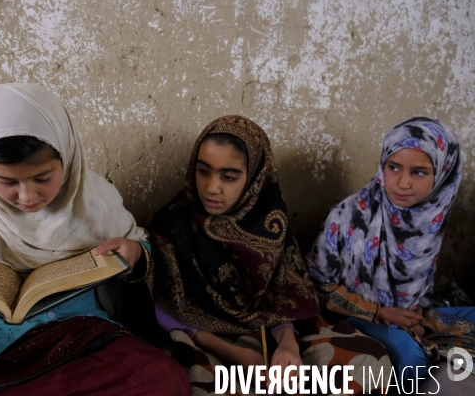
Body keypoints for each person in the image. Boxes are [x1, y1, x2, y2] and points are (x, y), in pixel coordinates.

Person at [0, 83, 190, 395]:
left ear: (65, 157)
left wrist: (134, 253)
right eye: (6, 181)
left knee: (159, 377)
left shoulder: (95, 199)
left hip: (78, 329)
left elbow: (141, 251)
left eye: (43, 178)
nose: (27, 195)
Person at [140, 115, 391, 393]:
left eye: (229, 176)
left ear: (255, 178)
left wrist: (288, 345)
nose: (212, 187)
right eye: (203, 171)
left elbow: (281, 300)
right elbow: (167, 305)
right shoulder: (172, 224)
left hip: (272, 332)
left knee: (369, 363)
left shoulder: (270, 223)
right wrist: (237, 355)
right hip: (205, 340)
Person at [305, 117, 475, 380]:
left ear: (443, 173)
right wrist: (378, 312)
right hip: (353, 316)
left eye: (418, 172)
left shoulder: (430, 212)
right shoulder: (348, 215)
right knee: (412, 361)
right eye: (393, 168)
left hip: (411, 312)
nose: (402, 183)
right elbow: (314, 286)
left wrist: (413, 319)